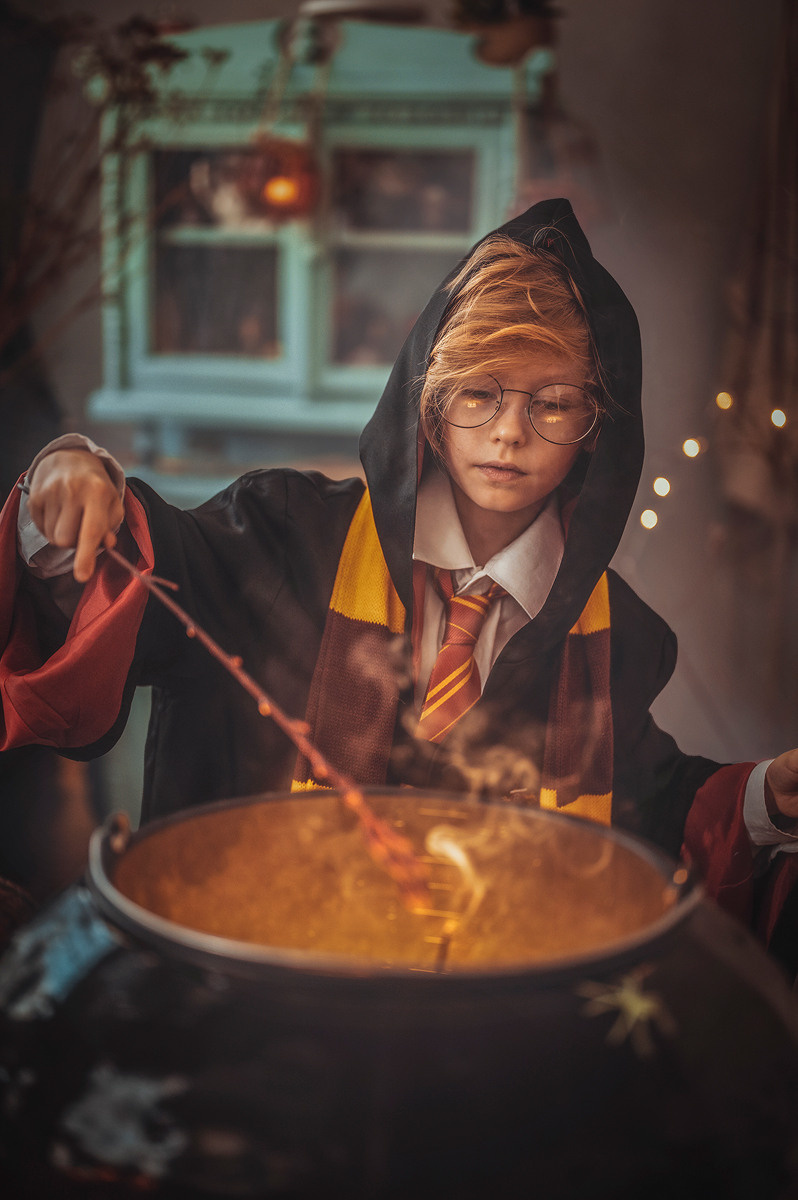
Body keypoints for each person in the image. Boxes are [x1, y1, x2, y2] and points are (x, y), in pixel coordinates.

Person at [2, 198, 798, 968]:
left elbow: (651, 812)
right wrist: (66, 487)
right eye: (480, 392)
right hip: (259, 1001)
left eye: (554, 404)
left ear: (598, 433)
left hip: (478, 1030)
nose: (511, 430)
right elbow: (141, 569)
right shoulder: (281, 539)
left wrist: (765, 796)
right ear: (429, 397)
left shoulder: (611, 633)